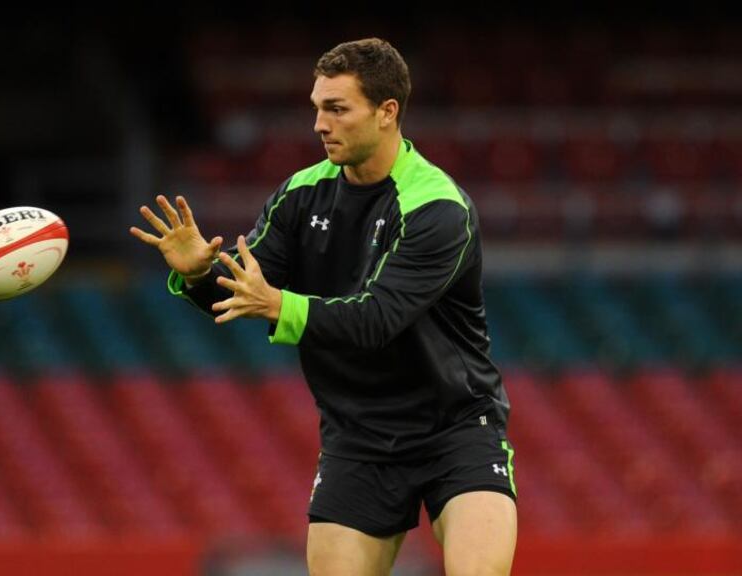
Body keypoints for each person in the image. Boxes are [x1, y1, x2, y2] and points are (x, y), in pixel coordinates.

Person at [130, 37, 517, 576]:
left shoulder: (437, 207)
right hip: (356, 437)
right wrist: (197, 272)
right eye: (316, 108)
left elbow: (375, 320)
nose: (319, 124)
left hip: (456, 429)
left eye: (336, 109)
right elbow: (245, 296)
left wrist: (277, 304)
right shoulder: (299, 195)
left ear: (387, 113)